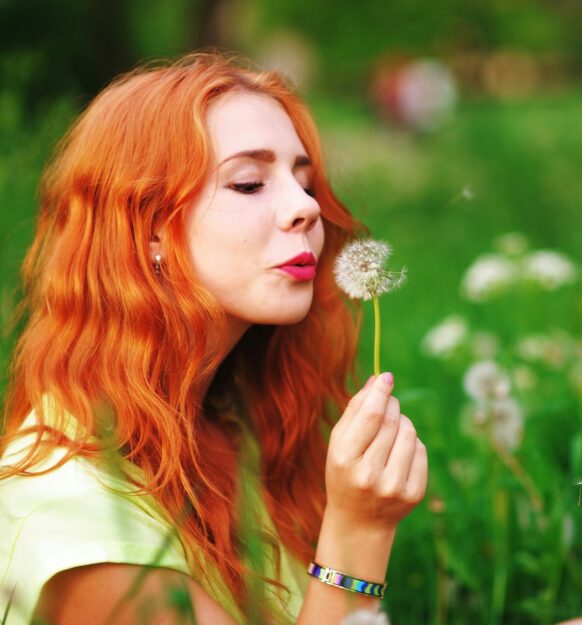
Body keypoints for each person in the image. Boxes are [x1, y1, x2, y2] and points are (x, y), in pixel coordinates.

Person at [0, 51, 427, 625]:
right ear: (147, 230)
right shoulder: (78, 519)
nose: (305, 207)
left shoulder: (231, 423)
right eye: (249, 183)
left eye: (303, 181)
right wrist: (358, 534)